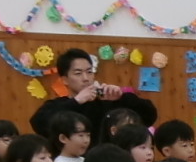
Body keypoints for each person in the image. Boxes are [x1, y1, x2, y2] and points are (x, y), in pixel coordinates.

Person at [27, 48, 155, 140]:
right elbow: (38, 124)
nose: (86, 78)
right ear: (64, 80)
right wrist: (76, 101)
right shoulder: (59, 106)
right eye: (78, 73)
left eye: (89, 72)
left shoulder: (107, 101)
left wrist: (122, 97)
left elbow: (149, 116)